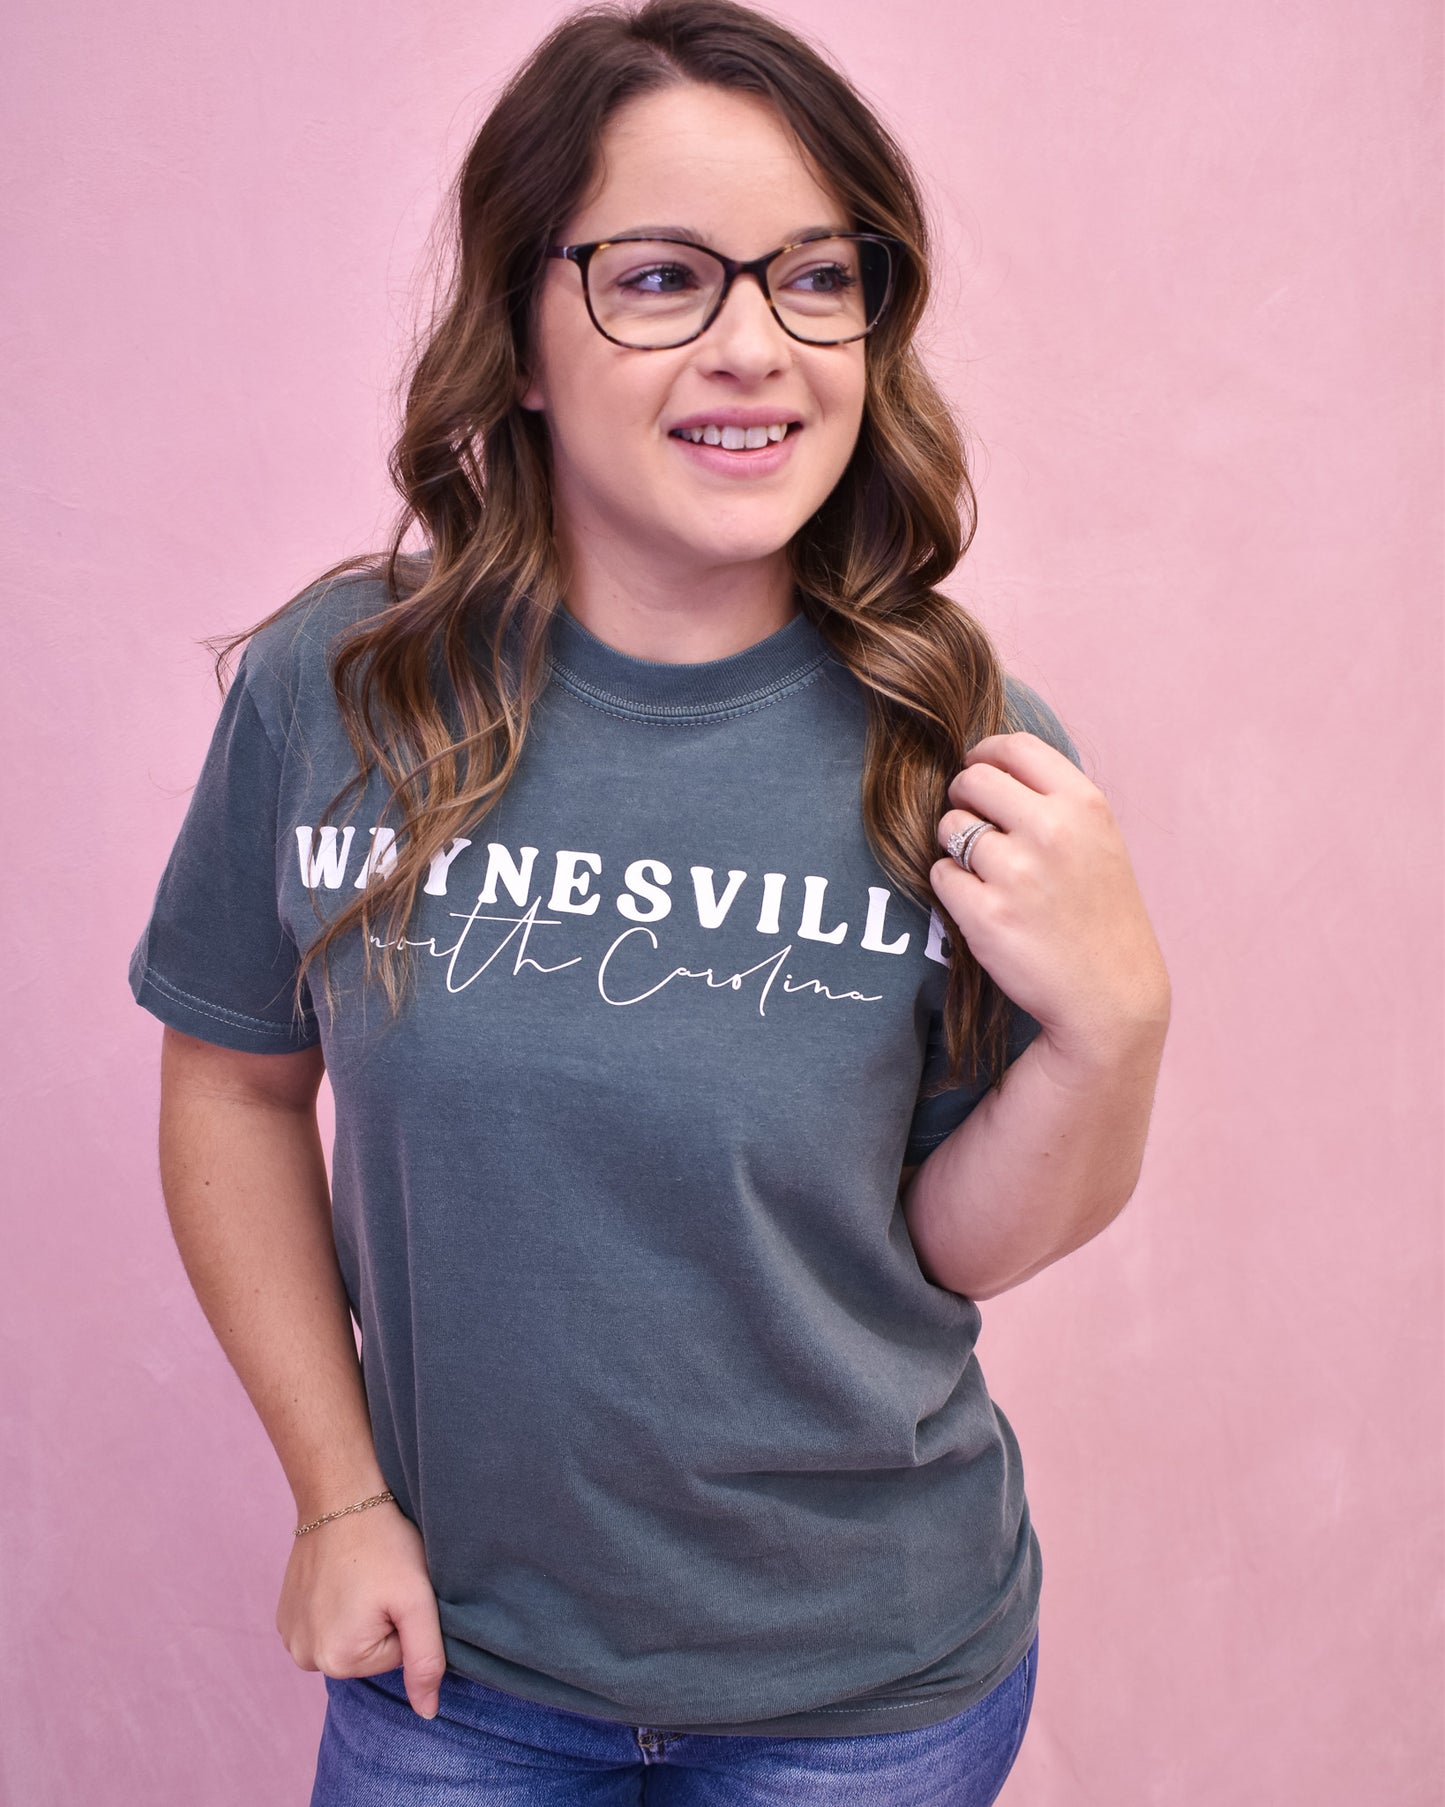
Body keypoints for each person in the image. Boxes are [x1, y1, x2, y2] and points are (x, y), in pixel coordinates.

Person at [126, 1, 1170, 1800]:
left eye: (816, 278)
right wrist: (339, 1498)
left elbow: (951, 1248)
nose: (756, 348)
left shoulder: (966, 746)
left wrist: (1114, 1024)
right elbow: (228, 1080)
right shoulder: (341, 690)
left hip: (867, 1689)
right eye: (664, 277)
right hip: (456, 1665)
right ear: (522, 333)